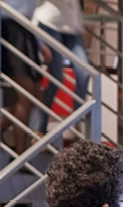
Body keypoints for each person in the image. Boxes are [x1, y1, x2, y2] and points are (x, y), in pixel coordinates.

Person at [0, 0, 42, 154]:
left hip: (24, 30)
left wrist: (40, 44)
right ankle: (20, 153)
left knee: (34, 98)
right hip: (10, 29)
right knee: (26, 97)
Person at [29, 0, 91, 136]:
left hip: (72, 24)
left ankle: (78, 120)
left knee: (84, 72)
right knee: (56, 78)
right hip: (49, 21)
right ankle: (40, 127)